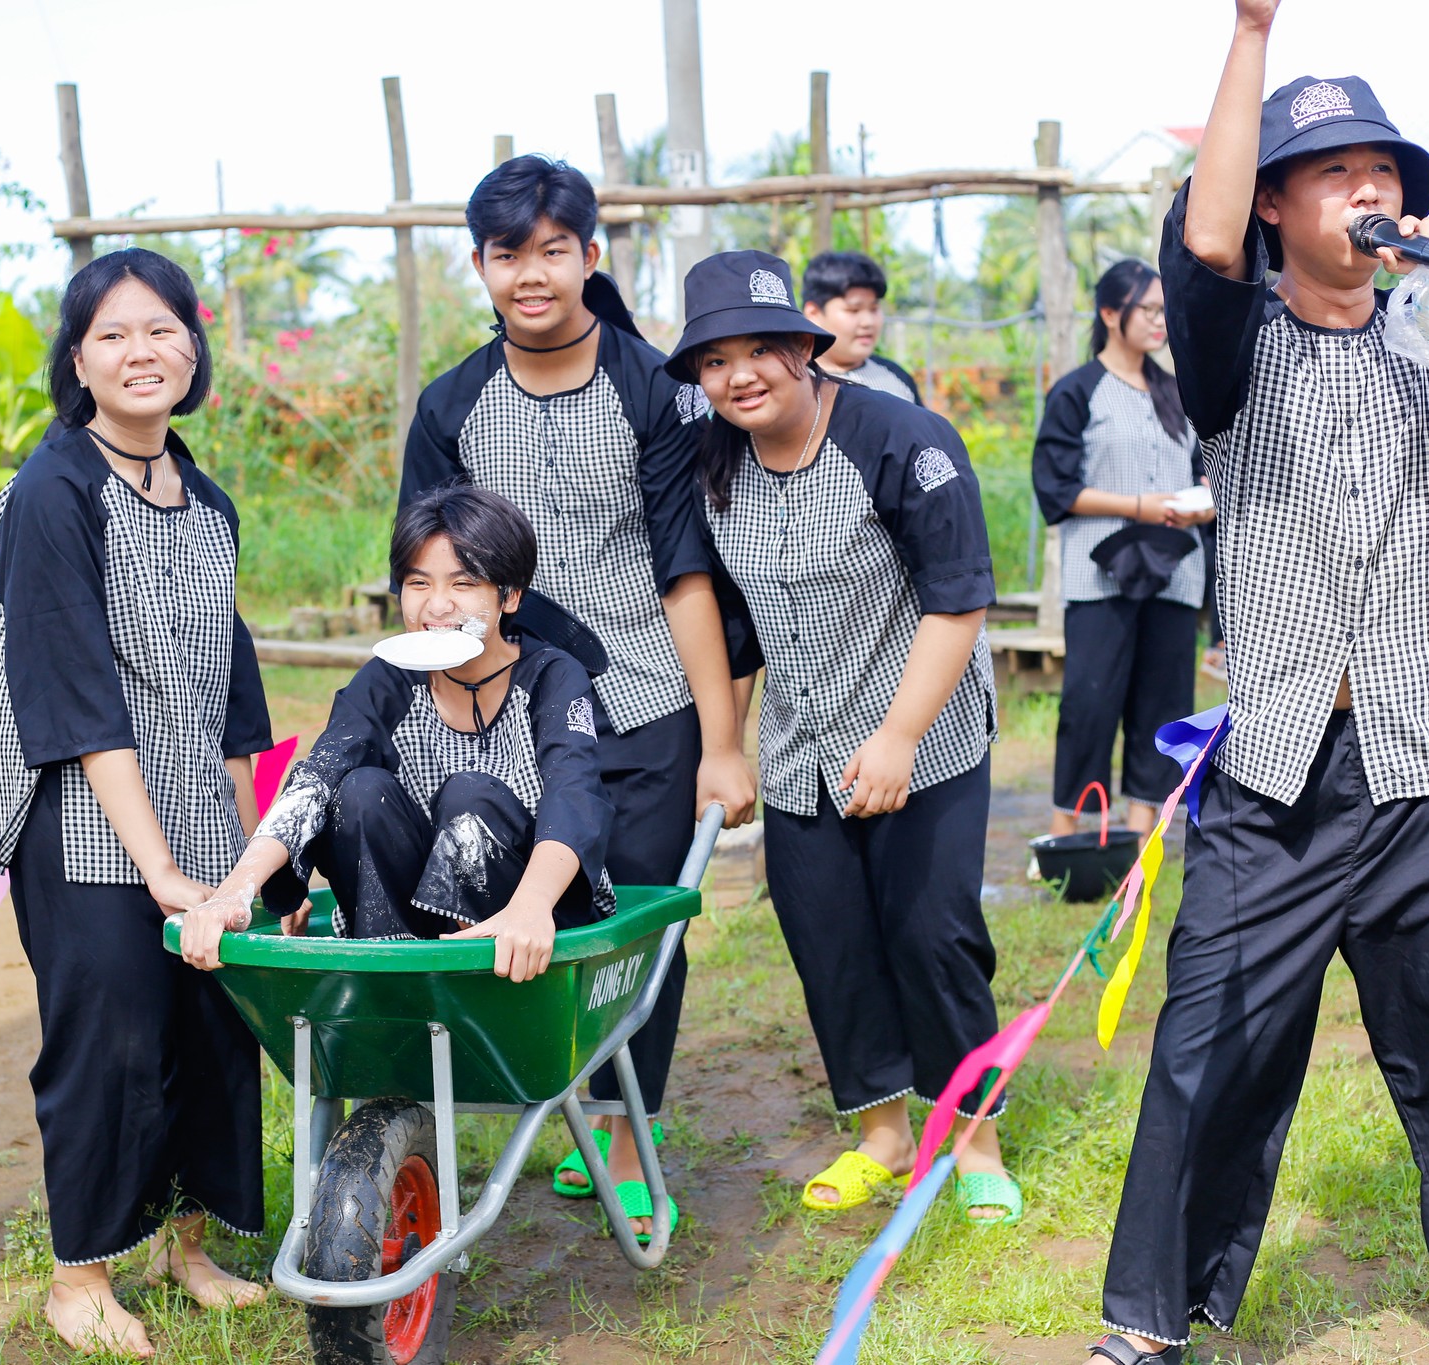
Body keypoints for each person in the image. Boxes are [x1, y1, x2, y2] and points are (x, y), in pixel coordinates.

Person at [1090, 4, 1429, 1362]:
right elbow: (1207, 246)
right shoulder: (1229, 346)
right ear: (1282, 202)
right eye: (1337, 171)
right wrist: (1251, 31)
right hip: (1280, 763)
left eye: (1387, 173)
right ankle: (1151, 1319)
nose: (1371, 192)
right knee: (1208, 1042)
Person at [399, 154, 756, 1235]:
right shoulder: (451, 404)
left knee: (638, 921)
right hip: (499, 713)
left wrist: (721, 740)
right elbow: (427, 576)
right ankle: (527, 1105)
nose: (532, 274)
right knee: (517, 906)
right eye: (509, 254)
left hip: (644, 699)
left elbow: (684, 570)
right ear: (479, 266)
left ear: (591, 257)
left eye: (554, 250)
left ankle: (618, 1124)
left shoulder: (654, 390)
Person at [668, 250, 1019, 1227]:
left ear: (802, 347)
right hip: (800, 746)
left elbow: (957, 601)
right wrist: (722, 744)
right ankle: (879, 1134)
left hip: (926, 734)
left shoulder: (899, 438)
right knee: (827, 939)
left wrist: (901, 735)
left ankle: (973, 1136)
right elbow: (729, 627)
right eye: (712, 361)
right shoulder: (711, 464)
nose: (738, 375)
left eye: (759, 350)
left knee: (930, 936)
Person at [0, 248, 276, 1356]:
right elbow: (75, 700)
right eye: (112, 334)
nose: (139, 351)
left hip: (195, 803)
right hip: (81, 819)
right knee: (109, 1038)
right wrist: (156, 866)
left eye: (159, 329)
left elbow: (228, 689)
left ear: (191, 347)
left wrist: (246, 852)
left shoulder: (204, 498)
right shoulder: (51, 494)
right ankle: (79, 1279)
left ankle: (186, 1246)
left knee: (208, 1031)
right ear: (77, 362)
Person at [181, 486, 614, 992]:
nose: (437, 605)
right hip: (409, 925)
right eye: (417, 582)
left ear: (510, 595)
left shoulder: (551, 676)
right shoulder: (389, 678)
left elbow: (573, 791)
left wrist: (531, 907)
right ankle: (392, 981)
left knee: (469, 794)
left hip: (527, 920)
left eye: (464, 582)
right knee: (360, 790)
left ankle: (475, 988)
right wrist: (234, 890)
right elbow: (316, 778)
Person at [1032, 259, 1214, 840]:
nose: (1160, 321)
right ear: (1111, 314)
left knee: (1162, 710)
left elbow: (1204, 473)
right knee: (1088, 706)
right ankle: (1068, 839)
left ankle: (1143, 841)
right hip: (1100, 577)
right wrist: (1142, 505)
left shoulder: (1178, 393)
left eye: (1165, 310)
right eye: (1149, 310)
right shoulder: (1078, 391)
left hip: (1175, 574)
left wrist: (1204, 498)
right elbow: (1055, 489)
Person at [800, 250, 923, 405]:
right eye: (853, 310)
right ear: (814, 313)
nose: (868, 322)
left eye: (874, 309)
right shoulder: (797, 383)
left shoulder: (896, 378)